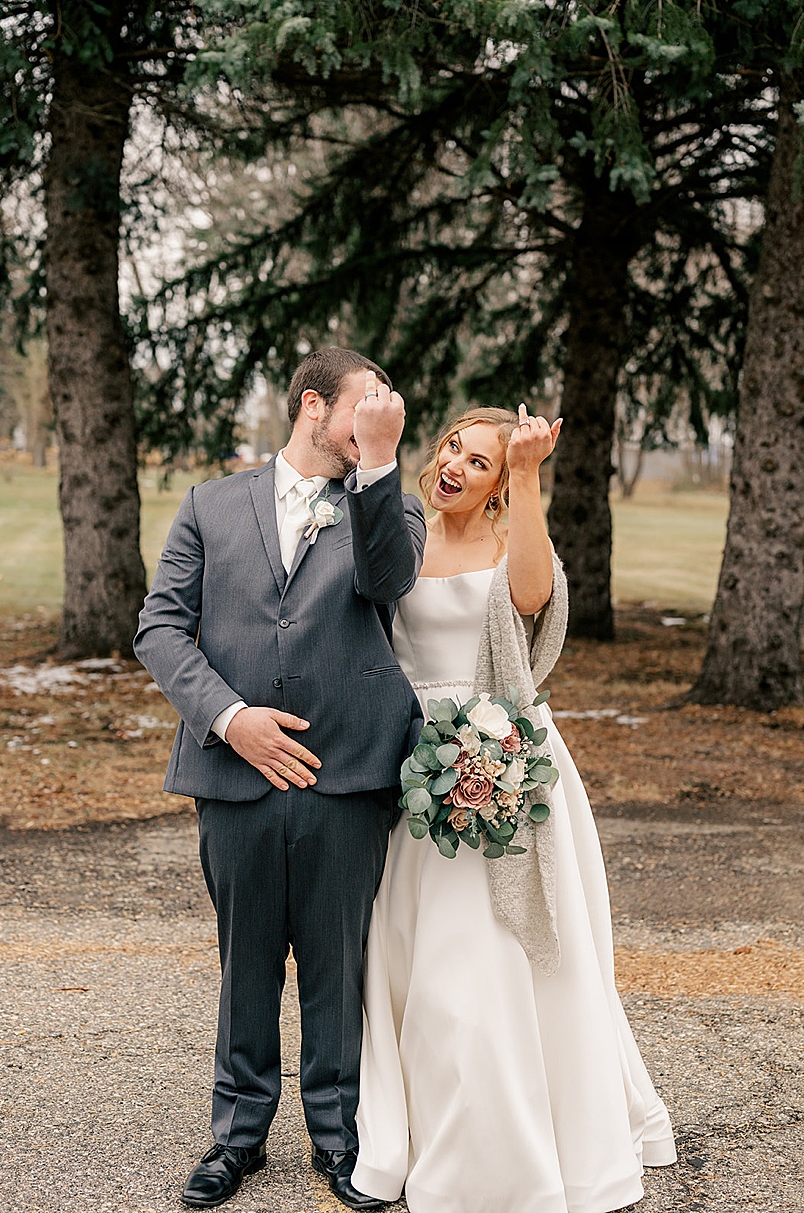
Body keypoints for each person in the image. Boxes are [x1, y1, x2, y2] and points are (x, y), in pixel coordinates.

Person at [351, 405, 677, 1213]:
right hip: (418, 771)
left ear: (500, 484)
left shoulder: (508, 538)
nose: (456, 465)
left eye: (482, 462)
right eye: (453, 447)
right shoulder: (404, 538)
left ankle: (523, 1149)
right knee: (424, 962)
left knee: (502, 956)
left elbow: (535, 597)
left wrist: (530, 476)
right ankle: (432, 1131)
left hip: (509, 762)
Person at [134, 348, 426, 1210]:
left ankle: (340, 1140)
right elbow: (160, 628)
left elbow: (387, 581)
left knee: (339, 965)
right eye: (364, 408)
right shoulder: (209, 504)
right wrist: (232, 719)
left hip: (346, 775)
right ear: (312, 405)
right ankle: (237, 1136)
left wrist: (378, 459)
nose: (379, 420)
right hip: (236, 773)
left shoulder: (391, 505)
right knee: (246, 961)